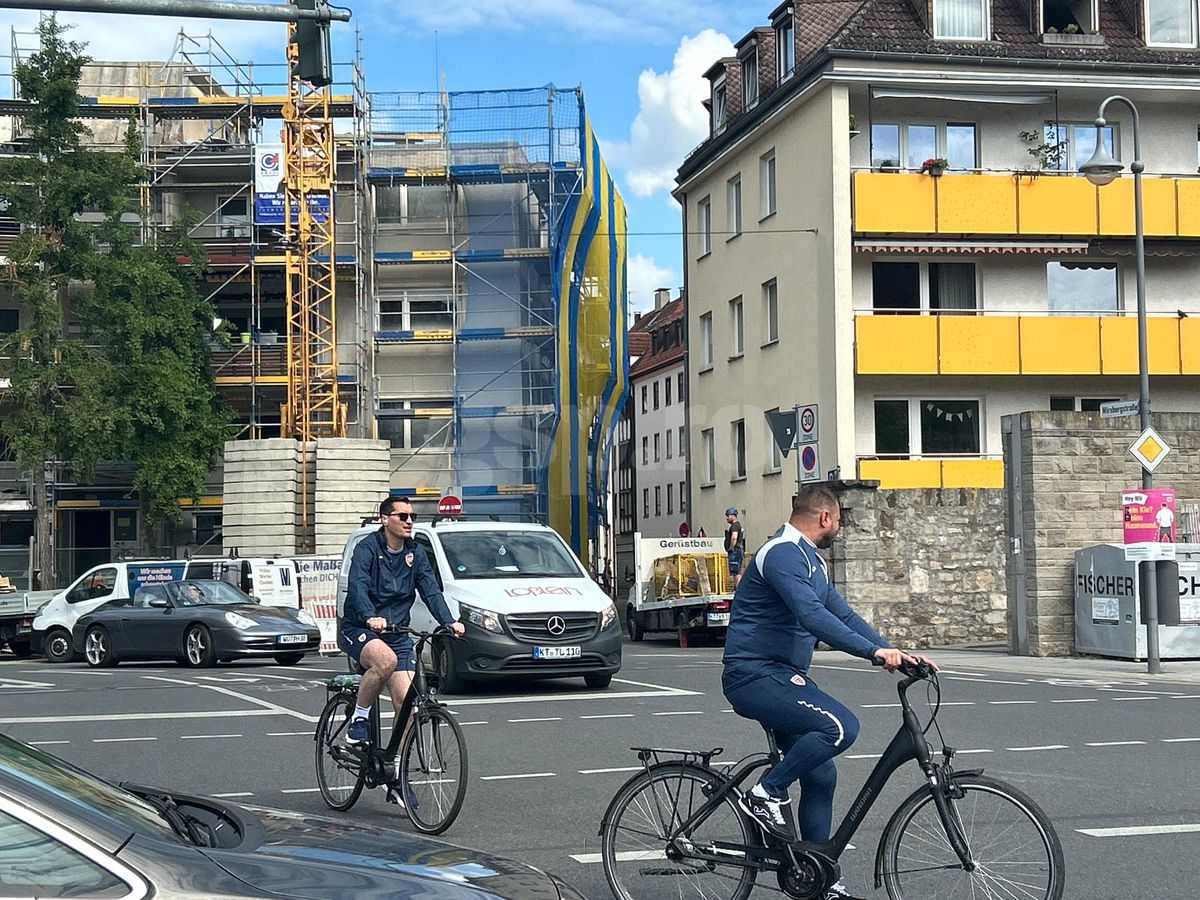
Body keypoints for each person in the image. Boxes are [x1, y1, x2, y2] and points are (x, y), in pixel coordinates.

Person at [721, 484, 935, 900]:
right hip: (755, 676)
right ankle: (766, 792)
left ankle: (817, 881)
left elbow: (842, 614)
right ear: (825, 517)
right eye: (838, 519)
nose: (838, 526)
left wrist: (895, 652)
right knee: (840, 727)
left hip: (782, 677)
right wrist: (873, 653)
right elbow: (812, 616)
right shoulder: (781, 552)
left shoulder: (809, 561)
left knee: (821, 774)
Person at [340, 496, 465, 749]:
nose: (409, 521)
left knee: (407, 705)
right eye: (403, 516)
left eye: (412, 517)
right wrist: (369, 616)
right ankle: (359, 719)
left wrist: (448, 620)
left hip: (397, 632)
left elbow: (430, 590)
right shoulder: (367, 548)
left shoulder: (415, 551)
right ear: (385, 519)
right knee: (385, 661)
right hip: (361, 628)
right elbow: (357, 586)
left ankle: (395, 769)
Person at [724, 507, 746, 585]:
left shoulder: (735, 526)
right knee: (735, 572)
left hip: (735, 551)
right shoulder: (737, 525)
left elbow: (734, 537)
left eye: (728, 515)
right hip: (737, 551)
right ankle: (737, 588)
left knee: (736, 572)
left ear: (733, 516)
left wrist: (731, 548)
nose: (726, 518)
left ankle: (738, 589)